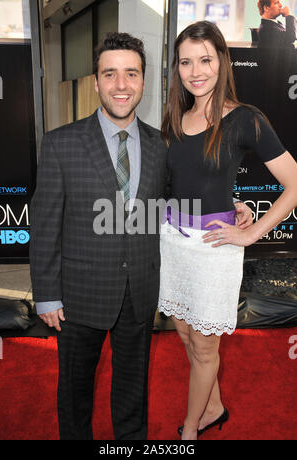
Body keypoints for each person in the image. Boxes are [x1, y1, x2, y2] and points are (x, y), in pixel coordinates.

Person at [29, 31, 252, 441]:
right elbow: (44, 226)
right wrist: (46, 293)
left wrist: (231, 204)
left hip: (139, 291)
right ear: (96, 81)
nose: (120, 85)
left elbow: (175, 197)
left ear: (143, 82)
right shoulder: (61, 144)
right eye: (109, 74)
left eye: (131, 74)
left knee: (132, 393)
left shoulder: (160, 143)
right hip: (78, 295)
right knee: (75, 394)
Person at [158, 20, 297, 441]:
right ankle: (213, 405)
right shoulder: (176, 118)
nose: (196, 71)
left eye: (205, 59)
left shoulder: (245, 119)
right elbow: (180, 182)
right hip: (173, 242)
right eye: (186, 62)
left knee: (204, 347)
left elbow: (294, 183)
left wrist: (252, 233)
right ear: (177, 68)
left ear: (222, 61)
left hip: (214, 247)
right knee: (183, 332)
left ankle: (188, 434)